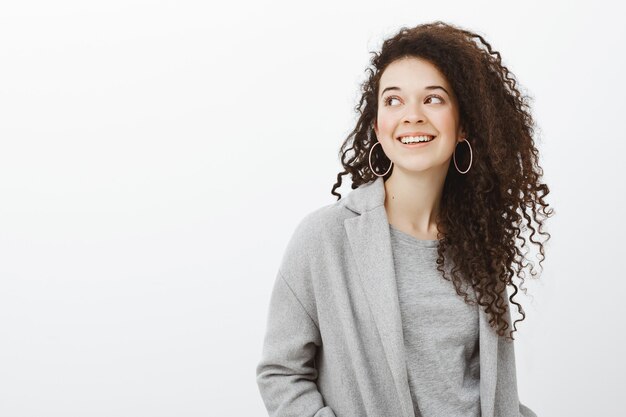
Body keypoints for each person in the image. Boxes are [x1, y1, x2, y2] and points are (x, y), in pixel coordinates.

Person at [256, 20, 553, 417]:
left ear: (463, 123)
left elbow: (485, 389)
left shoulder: (479, 244)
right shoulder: (325, 238)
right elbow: (281, 371)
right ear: (377, 125)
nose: (411, 116)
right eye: (394, 100)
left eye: (433, 99)